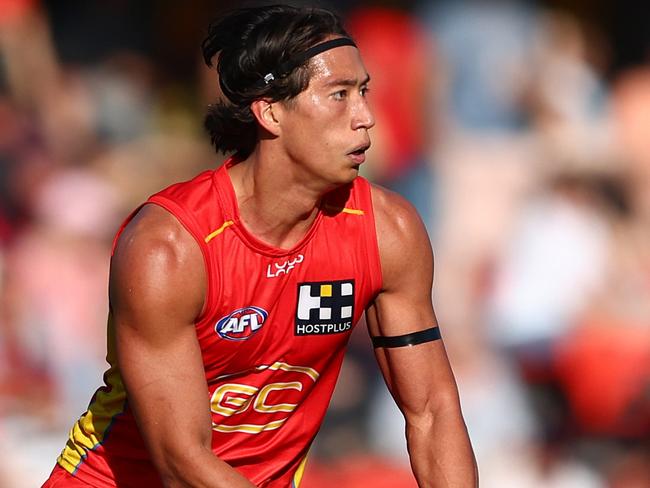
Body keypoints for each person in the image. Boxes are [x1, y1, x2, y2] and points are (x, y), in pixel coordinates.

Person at [43, 5, 477, 487]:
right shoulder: (169, 248)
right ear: (270, 111)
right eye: (339, 95)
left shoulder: (387, 229)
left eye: (364, 91)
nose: (367, 117)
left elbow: (433, 412)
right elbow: (182, 462)